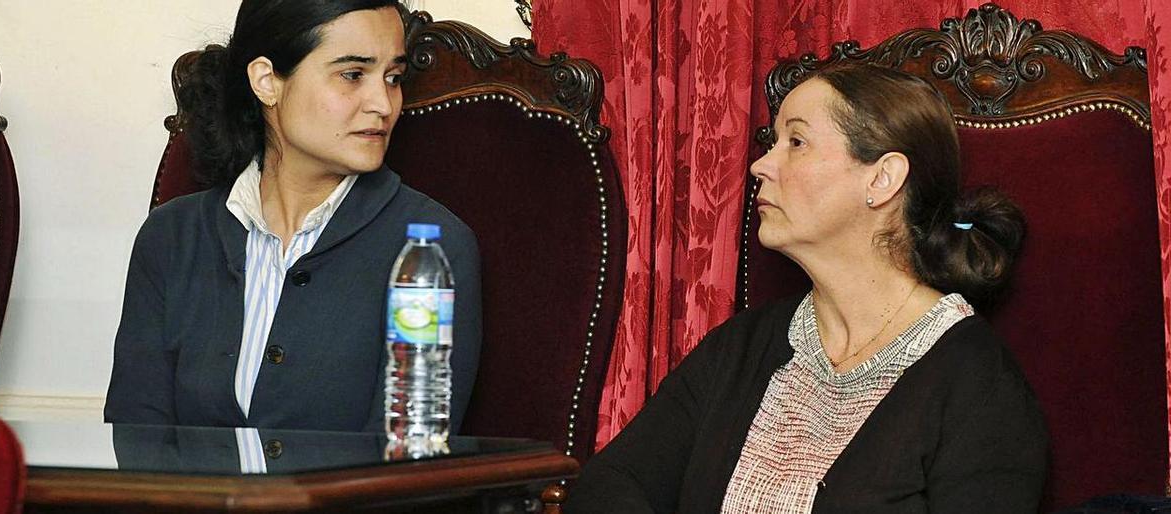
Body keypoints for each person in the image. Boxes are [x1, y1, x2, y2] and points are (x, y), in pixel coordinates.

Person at [565, 64, 1047, 513]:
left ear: (882, 178)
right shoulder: (742, 347)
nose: (761, 166)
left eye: (795, 142)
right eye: (772, 142)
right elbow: (609, 485)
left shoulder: (979, 384)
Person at [104, 0, 482, 434]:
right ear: (267, 81)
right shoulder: (171, 238)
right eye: (353, 75)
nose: (383, 103)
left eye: (393, 78)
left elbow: (407, 463)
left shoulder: (431, 251)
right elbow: (135, 442)